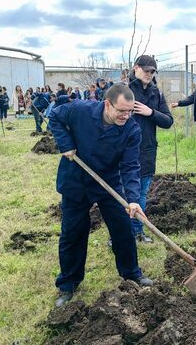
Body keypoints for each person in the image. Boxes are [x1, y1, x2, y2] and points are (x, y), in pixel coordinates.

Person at [49, 83, 153, 307]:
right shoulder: (80, 110)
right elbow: (55, 116)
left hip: (107, 183)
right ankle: (68, 284)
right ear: (107, 104)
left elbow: (130, 166)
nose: (126, 116)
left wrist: (133, 199)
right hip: (76, 179)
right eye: (121, 111)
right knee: (73, 232)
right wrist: (65, 144)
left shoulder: (131, 130)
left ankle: (131, 273)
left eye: (129, 111)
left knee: (123, 228)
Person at [127, 55, 174, 243]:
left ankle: (138, 232)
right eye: (146, 70)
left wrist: (150, 112)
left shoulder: (156, 93)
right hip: (125, 151)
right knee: (123, 194)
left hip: (147, 150)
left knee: (142, 193)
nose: (149, 74)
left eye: (153, 71)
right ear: (136, 68)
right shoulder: (124, 90)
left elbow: (168, 121)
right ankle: (120, 233)